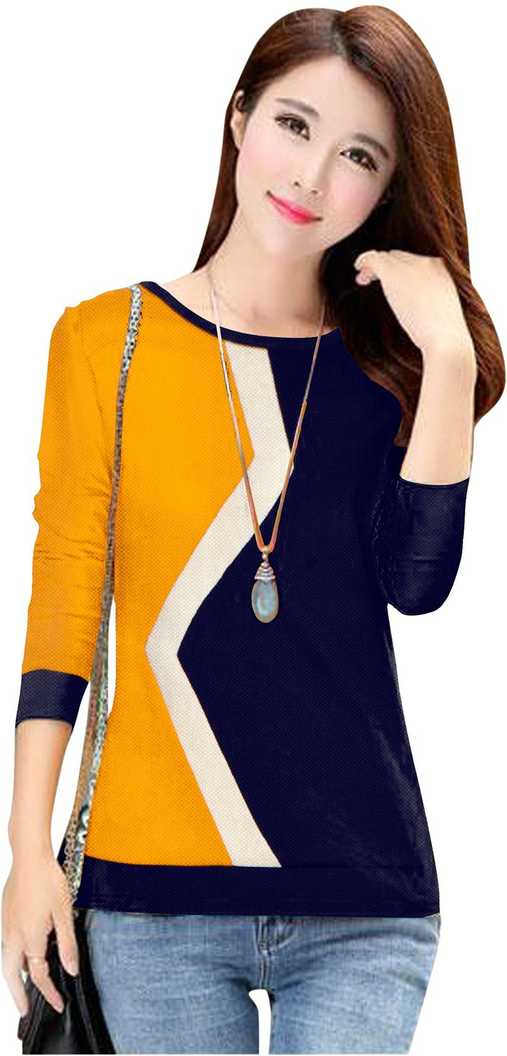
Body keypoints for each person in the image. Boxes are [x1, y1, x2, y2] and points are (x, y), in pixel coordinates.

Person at [2, 7, 503, 1054]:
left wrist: (451, 359)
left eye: (358, 155)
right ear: (238, 120)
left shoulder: (387, 367)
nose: (311, 175)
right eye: (293, 124)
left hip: (364, 898)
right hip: (152, 900)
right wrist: (28, 850)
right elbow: (66, 596)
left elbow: (418, 583)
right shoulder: (106, 341)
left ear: (387, 187)